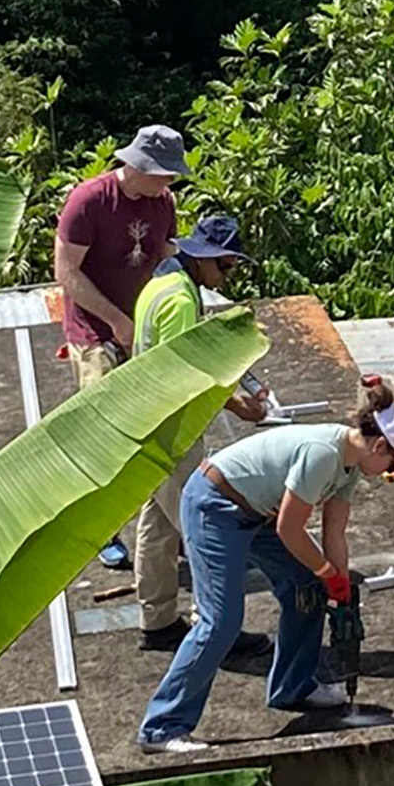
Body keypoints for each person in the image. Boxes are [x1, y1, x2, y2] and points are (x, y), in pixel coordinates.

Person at [138, 400, 394, 753]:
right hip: (214, 506)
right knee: (220, 622)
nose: (391, 470)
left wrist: (337, 583)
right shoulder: (323, 454)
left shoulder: (350, 469)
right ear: (380, 446)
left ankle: (294, 687)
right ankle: (161, 728)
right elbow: (290, 529)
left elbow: (334, 534)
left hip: (256, 513)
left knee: (307, 586)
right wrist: (327, 571)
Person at [126, 211, 278, 652]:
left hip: (149, 425)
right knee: (203, 530)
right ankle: (215, 631)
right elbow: (183, 371)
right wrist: (237, 404)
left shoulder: (161, 285)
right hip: (172, 431)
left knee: (157, 526)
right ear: (203, 259)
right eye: (225, 266)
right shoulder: (181, 299)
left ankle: (157, 621)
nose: (227, 277)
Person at [55, 125, 185, 571]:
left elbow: (164, 251)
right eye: (163, 174)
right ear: (138, 166)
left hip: (141, 324)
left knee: (153, 427)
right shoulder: (89, 201)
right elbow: (66, 272)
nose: (169, 184)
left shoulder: (163, 202)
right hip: (94, 327)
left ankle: (168, 523)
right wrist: (114, 320)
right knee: (102, 432)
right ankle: (101, 530)